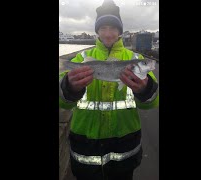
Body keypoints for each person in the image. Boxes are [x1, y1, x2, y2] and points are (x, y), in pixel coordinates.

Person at [59, 1, 159, 179]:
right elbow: (62, 101)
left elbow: (153, 101)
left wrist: (145, 90)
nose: (108, 33)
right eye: (103, 27)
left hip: (125, 149)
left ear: (120, 31)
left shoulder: (134, 58)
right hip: (85, 148)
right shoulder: (82, 58)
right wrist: (69, 86)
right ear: (97, 31)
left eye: (113, 28)